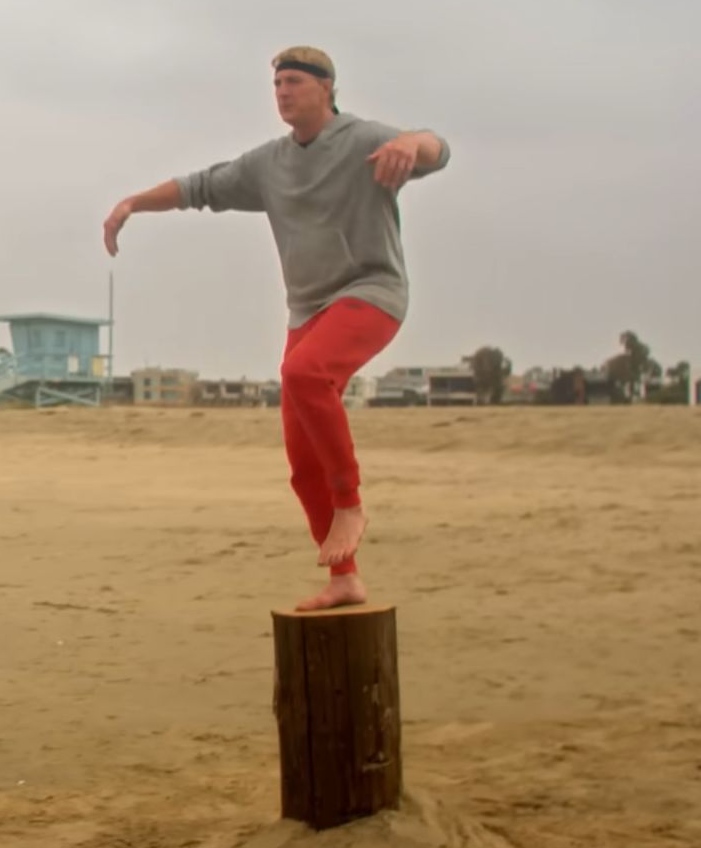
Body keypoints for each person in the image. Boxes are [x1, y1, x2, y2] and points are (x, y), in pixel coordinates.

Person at [101, 47, 451, 612]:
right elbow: (202, 186)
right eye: (277, 84)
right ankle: (344, 578)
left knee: (304, 373)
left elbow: (438, 149)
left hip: (372, 293)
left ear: (326, 88)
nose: (283, 92)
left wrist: (414, 143)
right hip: (308, 311)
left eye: (294, 82)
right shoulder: (270, 164)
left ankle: (350, 502)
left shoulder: (363, 140)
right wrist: (132, 203)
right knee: (299, 455)